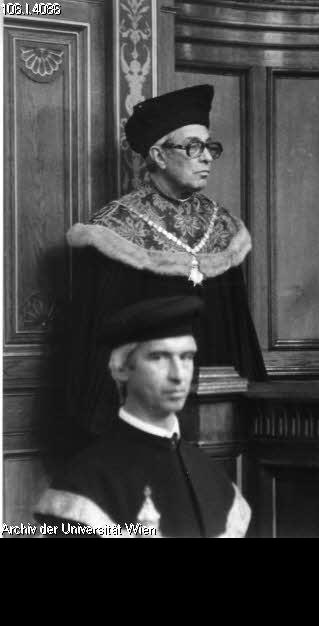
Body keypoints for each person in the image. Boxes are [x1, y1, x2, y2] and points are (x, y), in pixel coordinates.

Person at [63, 84, 265, 443]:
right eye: (193, 147)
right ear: (158, 155)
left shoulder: (225, 228)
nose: (206, 157)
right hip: (141, 412)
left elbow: (239, 336)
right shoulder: (115, 228)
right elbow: (97, 347)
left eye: (210, 147)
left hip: (220, 414)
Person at [35, 296, 251, 538]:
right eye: (159, 357)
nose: (178, 375)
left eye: (186, 357)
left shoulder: (215, 481)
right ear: (121, 369)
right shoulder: (83, 487)